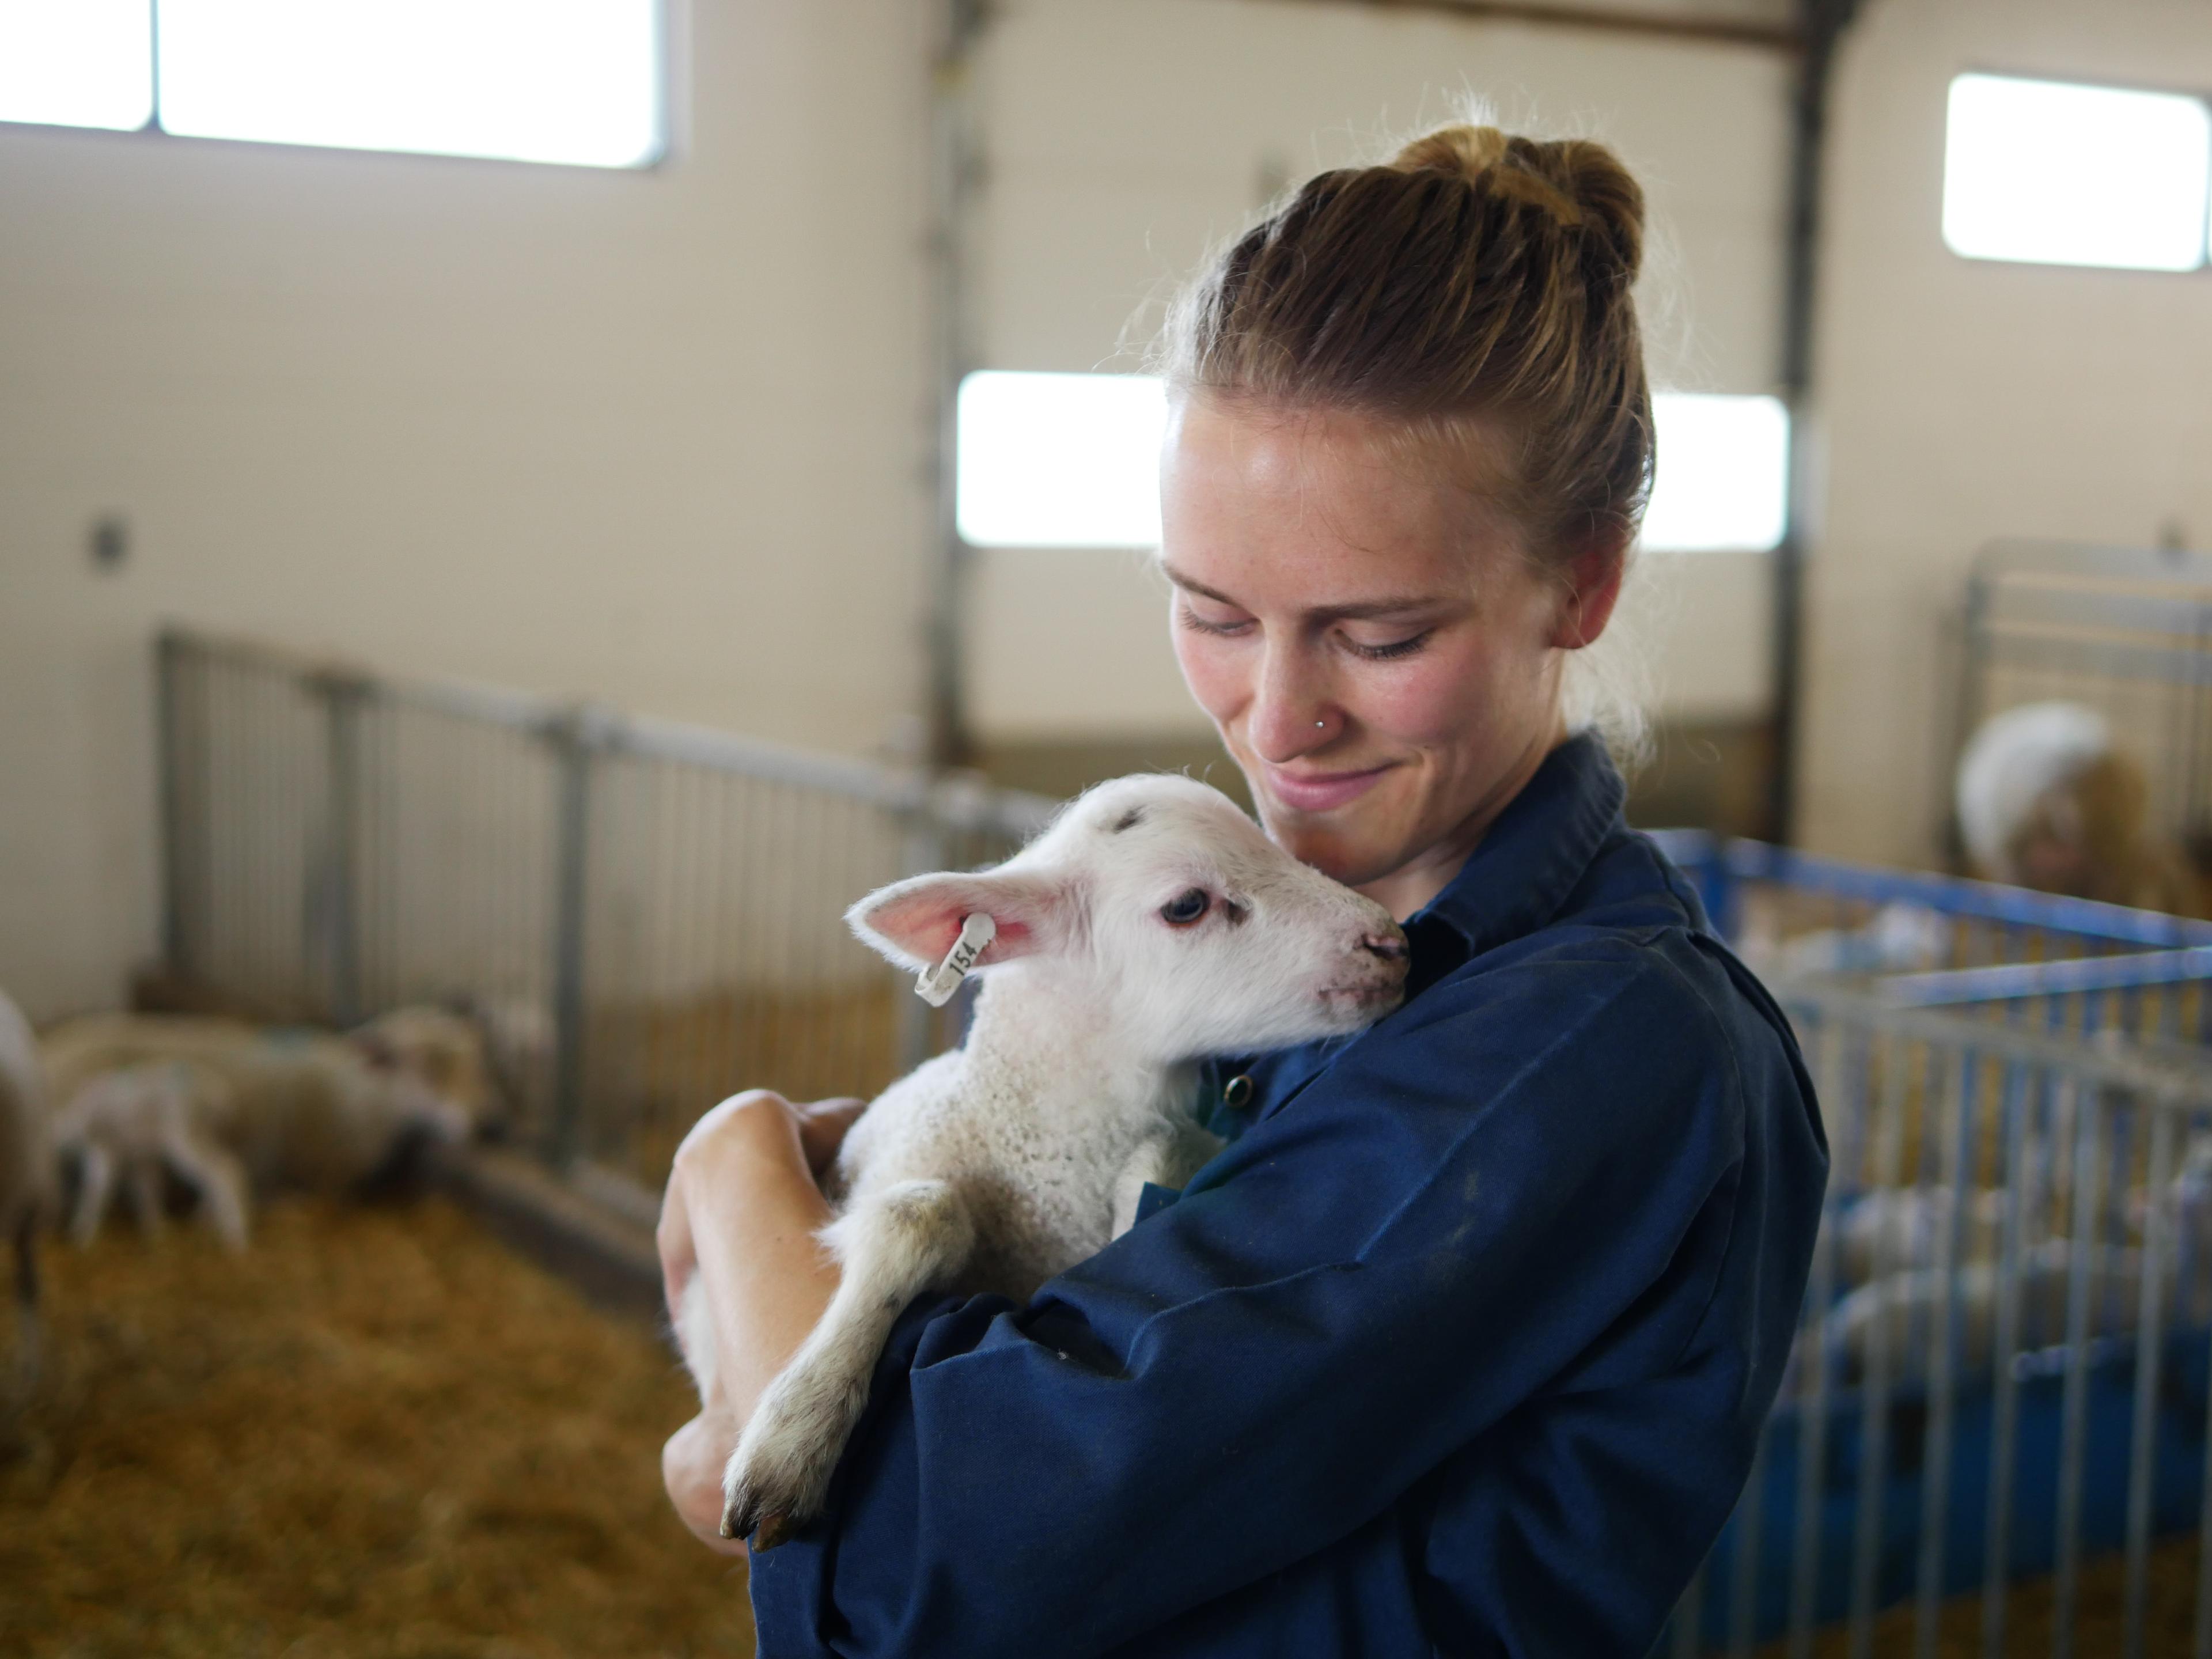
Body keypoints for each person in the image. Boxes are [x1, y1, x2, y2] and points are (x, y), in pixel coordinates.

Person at [658, 123, 1827, 1657]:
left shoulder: (1573, 1050)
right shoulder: (1266, 956)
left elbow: (907, 1556)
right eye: (1211, 611)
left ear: (1585, 579)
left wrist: (736, 1172)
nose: (1276, 724)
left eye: (1384, 636)